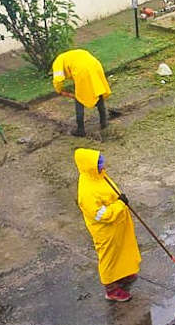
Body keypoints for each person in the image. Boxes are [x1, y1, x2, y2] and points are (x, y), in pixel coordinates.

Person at [74, 148, 140, 302]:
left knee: (122, 249)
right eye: (99, 163)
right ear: (89, 166)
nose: (103, 166)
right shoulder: (86, 192)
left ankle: (123, 274)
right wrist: (119, 205)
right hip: (106, 231)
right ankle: (111, 289)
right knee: (109, 257)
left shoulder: (98, 175)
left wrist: (119, 200)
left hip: (118, 224)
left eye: (101, 161)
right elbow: (102, 215)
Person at [52, 48, 112, 137]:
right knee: (97, 91)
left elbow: (58, 79)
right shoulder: (71, 55)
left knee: (79, 98)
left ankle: (80, 130)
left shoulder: (57, 62)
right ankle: (104, 122)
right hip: (95, 66)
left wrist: (59, 90)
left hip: (82, 71)